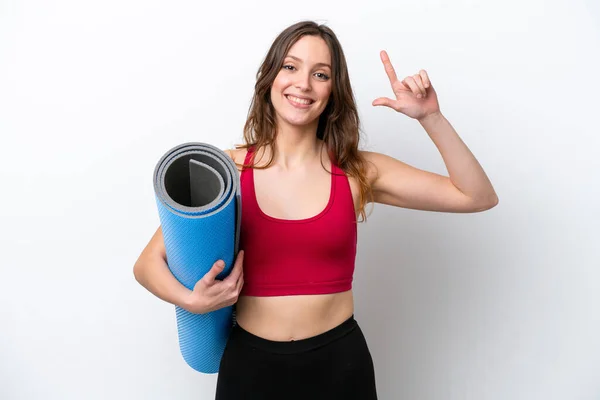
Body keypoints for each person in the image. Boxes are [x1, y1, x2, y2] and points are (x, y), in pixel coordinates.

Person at [133, 20, 498, 400]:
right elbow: (146, 265)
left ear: (333, 91)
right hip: (250, 367)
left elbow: (476, 196)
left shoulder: (358, 170)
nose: (303, 84)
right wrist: (193, 301)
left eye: (320, 74)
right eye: (290, 67)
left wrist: (430, 118)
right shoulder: (230, 170)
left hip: (339, 367)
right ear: (270, 77)